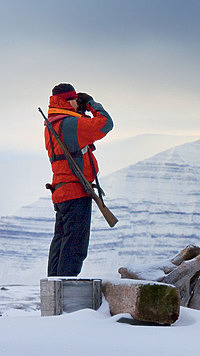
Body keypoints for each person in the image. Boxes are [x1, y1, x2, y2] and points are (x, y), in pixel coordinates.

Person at [44, 83, 113, 276]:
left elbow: (79, 131)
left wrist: (79, 112)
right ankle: (67, 291)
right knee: (75, 246)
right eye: (75, 99)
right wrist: (91, 104)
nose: (78, 102)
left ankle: (54, 288)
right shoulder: (71, 124)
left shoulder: (53, 124)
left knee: (60, 243)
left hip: (61, 193)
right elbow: (106, 123)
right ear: (68, 101)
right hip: (76, 192)